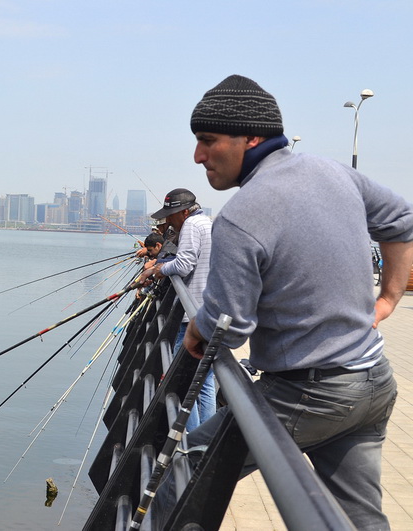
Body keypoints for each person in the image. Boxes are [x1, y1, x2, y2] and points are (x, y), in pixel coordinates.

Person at [181, 74, 413, 529]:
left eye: (208, 140)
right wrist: (388, 297)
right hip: (373, 380)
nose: (198, 156)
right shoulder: (332, 172)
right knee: (359, 518)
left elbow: (230, 326)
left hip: (310, 391)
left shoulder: (241, 217)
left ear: (251, 137)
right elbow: (401, 219)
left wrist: (197, 325)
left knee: (183, 469)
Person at [142, 188, 214, 430]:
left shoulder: (192, 225)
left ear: (183, 212)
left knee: (180, 381)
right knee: (204, 383)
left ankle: (190, 438)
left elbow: (184, 264)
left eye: (171, 215)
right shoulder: (207, 223)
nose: (168, 221)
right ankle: (204, 438)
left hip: (191, 316)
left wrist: (156, 270)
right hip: (207, 311)